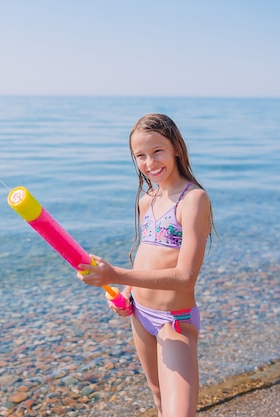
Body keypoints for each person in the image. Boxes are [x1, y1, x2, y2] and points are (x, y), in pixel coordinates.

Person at [77, 113, 214, 417]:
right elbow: (147, 254)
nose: (149, 162)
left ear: (176, 147)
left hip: (173, 320)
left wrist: (114, 274)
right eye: (140, 155)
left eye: (157, 151)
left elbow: (185, 277)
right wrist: (126, 290)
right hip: (140, 315)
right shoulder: (146, 201)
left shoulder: (193, 200)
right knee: (158, 397)